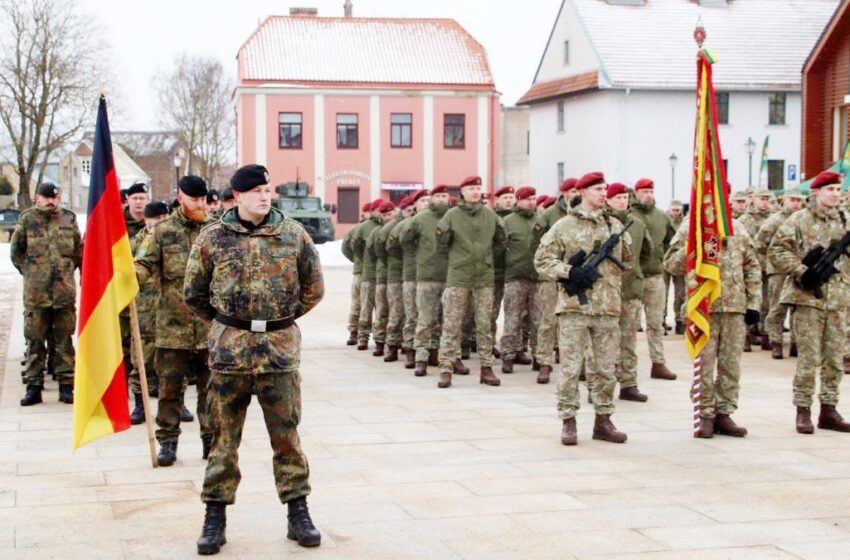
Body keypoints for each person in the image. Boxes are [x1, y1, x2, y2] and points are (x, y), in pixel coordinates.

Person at [184, 164, 324, 554]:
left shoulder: (292, 234)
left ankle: (298, 512)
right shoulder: (214, 237)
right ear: (238, 196)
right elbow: (193, 293)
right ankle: (215, 516)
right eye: (258, 190)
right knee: (222, 440)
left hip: (278, 355)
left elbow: (314, 288)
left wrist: (280, 323)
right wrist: (231, 326)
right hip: (229, 355)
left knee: (287, 438)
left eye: (268, 190)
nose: (266, 196)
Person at [535, 172, 632, 445]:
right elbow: (542, 261)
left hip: (607, 307)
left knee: (604, 368)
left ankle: (604, 419)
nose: (604, 193)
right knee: (570, 367)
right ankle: (568, 420)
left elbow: (627, 262)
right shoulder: (564, 226)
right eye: (598, 189)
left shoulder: (614, 226)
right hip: (574, 307)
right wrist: (570, 272)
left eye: (604, 189)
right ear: (583, 192)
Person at [134, 175, 213, 466]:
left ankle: (210, 440)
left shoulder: (215, 231)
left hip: (208, 326)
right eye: (195, 200)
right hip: (172, 325)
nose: (201, 205)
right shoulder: (163, 232)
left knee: (211, 390)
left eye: (204, 200)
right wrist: (132, 278)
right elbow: (144, 263)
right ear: (181, 198)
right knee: (169, 389)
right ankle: (168, 441)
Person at [665, 209, 761, 438]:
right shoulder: (691, 228)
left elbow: (752, 266)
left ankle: (724, 412)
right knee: (705, 364)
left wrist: (754, 303)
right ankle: (705, 413)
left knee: (731, 364)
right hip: (703, 307)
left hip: (733, 307)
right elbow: (671, 263)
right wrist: (695, 245)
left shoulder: (737, 228)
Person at [769, 170, 850, 435]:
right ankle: (803, 410)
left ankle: (829, 409)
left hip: (838, 300)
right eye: (830, 190)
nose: (836, 195)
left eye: (838, 190)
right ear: (816, 192)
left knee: (835, 358)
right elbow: (777, 250)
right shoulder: (799, 220)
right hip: (808, 300)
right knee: (808, 358)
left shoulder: (845, 220)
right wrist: (803, 271)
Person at [11, 183, 81, 406]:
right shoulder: (27, 219)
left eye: (54, 197)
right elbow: (16, 252)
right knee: (35, 341)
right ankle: (34, 386)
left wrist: (67, 272)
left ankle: (66, 385)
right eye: (45, 197)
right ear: (37, 198)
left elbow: (78, 252)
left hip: (64, 293)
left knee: (64, 342)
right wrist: (32, 272)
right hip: (36, 294)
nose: (51, 201)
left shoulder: (68, 219)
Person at [435, 176, 505, 388]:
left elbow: (501, 241)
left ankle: (486, 368)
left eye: (478, 188)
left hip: (483, 277)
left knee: (484, 325)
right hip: (459, 277)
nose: (475, 192)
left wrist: (486, 259)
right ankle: (446, 369)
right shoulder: (452, 215)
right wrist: (458, 261)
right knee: (452, 324)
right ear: (462, 192)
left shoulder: (490, 216)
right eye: (471, 188)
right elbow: (441, 243)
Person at [532, 178, 579, 383]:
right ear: (564, 192)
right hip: (552, 276)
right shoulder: (550, 215)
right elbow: (535, 243)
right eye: (572, 191)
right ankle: (544, 361)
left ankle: (576, 363)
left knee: (574, 321)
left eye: (578, 190)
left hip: (576, 276)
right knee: (548, 320)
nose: (575, 194)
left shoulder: (583, 215)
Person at [606, 182, 650, 402]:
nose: (622, 201)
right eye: (617, 198)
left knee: (629, 340)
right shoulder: (601, 223)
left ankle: (629, 384)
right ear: (608, 200)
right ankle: (601, 386)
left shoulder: (638, 224)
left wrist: (636, 274)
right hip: (605, 293)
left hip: (630, 289)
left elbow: (646, 253)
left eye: (625, 197)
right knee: (603, 341)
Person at [630, 178, 677, 380]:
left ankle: (658, 363)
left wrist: (663, 259)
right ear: (636, 193)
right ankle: (625, 366)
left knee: (656, 322)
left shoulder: (662, 217)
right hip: (632, 277)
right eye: (644, 191)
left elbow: (672, 242)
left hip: (656, 276)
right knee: (629, 323)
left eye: (650, 191)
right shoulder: (629, 216)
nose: (648, 195)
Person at [402, 186, 451, 377]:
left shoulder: (452, 216)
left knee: (445, 320)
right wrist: (420, 256)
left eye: (444, 196)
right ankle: (420, 357)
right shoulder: (420, 219)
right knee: (424, 319)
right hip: (426, 276)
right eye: (437, 196)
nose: (441, 199)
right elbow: (405, 240)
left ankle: (437, 354)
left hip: (448, 275)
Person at [129, 201, 170, 424]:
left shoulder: (174, 241)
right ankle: (140, 405)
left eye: (165, 218)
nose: (161, 223)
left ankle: (176, 404)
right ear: (146, 220)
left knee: (172, 364)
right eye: (156, 219)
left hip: (169, 311)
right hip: (143, 312)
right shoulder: (134, 245)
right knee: (141, 362)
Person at [755, 188, 806, 359]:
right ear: (784, 200)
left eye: (799, 200)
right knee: (778, 305)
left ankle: (796, 343)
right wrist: (775, 259)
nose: (796, 204)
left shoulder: (805, 219)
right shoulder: (774, 221)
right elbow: (760, 244)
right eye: (793, 200)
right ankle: (775, 341)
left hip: (800, 268)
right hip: (778, 270)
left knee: (798, 307)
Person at [500, 186, 539, 375]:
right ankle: (508, 353)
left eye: (533, 198)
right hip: (515, 277)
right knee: (512, 317)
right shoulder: (508, 221)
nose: (531, 202)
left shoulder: (541, 220)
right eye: (527, 199)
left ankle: (539, 356)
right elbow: (499, 248)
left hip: (538, 277)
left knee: (537, 320)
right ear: (519, 200)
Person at [389, 190, 430, 369]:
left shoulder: (436, 221)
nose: (427, 203)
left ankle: (431, 350)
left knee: (431, 317)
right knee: (412, 315)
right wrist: (409, 258)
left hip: (432, 275)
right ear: (415, 205)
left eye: (429, 200)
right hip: (412, 275)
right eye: (423, 200)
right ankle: (410, 350)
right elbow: (392, 247)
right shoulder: (406, 224)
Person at [740, 189, 773, 351]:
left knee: (767, 301)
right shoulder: (744, 220)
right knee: (749, 300)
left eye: (767, 199)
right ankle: (745, 334)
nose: (765, 202)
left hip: (768, 266)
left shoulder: (773, 219)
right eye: (761, 199)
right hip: (749, 267)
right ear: (753, 199)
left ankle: (765, 333)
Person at [368, 200, 400, 358]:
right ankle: (380, 341)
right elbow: (375, 252)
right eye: (386, 215)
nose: (389, 217)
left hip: (399, 275)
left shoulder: (401, 227)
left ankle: (396, 342)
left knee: (397, 310)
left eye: (391, 213)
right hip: (383, 274)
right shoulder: (378, 232)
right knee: (382, 310)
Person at [353, 200, 385, 350]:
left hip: (384, 275)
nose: (380, 213)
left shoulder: (388, 227)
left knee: (383, 308)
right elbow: (353, 246)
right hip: (369, 273)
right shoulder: (365, 227)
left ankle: (381, 337)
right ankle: (362, 336)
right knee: (365, 306)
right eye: (378, 210)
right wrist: (364, 260)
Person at [382, 197, 410, 362]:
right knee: (396, 311)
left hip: (411, 275)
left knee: (410, 313)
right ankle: (391, 344)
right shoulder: (393, 228)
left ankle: (407, 344)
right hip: (395, 274)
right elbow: (381, 249)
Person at [341, 202, 372, 345]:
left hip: (372, 271)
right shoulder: (357, 230)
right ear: (364, 213)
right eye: (369, 211)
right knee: (358, 303)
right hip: (360, 271)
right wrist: (357, 260)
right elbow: (346, 247)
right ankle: (354, 331)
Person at [491, 186, 515, 352]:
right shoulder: (492, 217)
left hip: (514, 272)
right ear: (498, 199)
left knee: (514, 312)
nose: (509, 200)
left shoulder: (517, 218)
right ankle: (489, 344)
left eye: (511, 197)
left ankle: (515, 346)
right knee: (491, 311)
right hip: (495, 272)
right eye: (505, 197)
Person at [664, 200, 687, 335]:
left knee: (680, 292)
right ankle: (662, 319)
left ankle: (679, 319)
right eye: (673, 210)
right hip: (667, 258)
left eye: (678, 210)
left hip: (680, 260)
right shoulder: (665, 221)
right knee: (664, 292)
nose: (675, 213)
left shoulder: (685, 223)